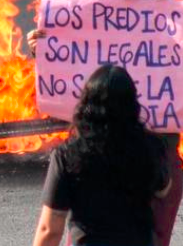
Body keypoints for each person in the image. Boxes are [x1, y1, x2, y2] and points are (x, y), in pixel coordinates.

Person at [26, 0, 183, 246]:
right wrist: (47, 48)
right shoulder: (101, 27)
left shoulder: (182, 32)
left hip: (155, 154)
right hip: (105, 152)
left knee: (146, 236)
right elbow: (75, 74)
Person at [31, 64, 172, 246]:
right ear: (132, 104)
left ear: (86, 104)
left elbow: (49, 230)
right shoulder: (151, 147)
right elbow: (164, 189)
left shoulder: (68, 155)